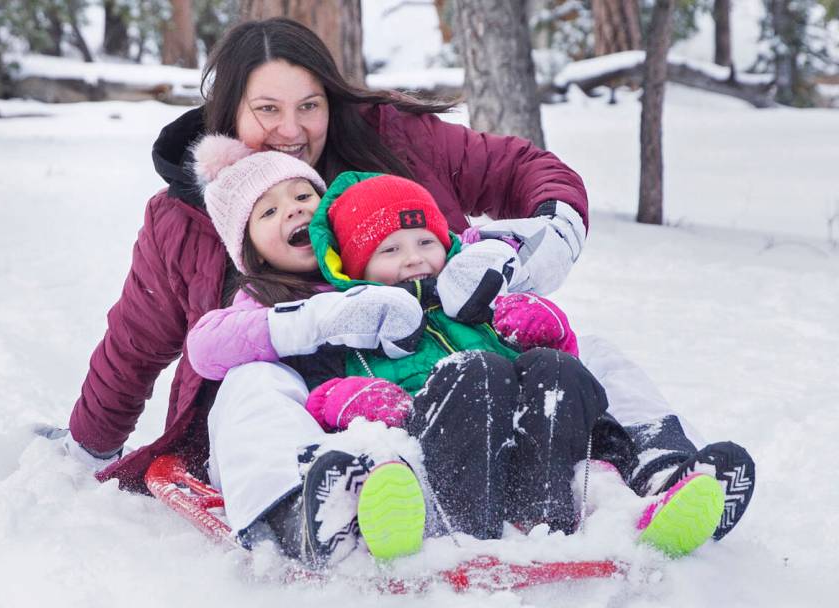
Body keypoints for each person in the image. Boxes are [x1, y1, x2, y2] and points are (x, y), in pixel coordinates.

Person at [50, 18, 753, 558]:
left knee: (581, 353)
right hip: (319, 405)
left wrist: (544, 238)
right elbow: (136, 341)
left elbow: (516, 167)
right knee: (251, 385)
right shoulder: (184, 219)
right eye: (267, 109)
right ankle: (309, 508)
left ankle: (661, 469)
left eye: (311, 106)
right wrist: (89, 444)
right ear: (228, 113)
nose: (292, 131)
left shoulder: (389, 144)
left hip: (447, 376)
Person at [186, 140, 728, 565]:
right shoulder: (272, 299)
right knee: (469, 373)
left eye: (303, 197)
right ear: (248, 243)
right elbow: (226, 353)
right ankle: (324, 511)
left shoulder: (451, 279)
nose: (293, 212)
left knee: (564, 365)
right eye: (269, 210)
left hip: (511, 432)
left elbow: (517, 294)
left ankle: (656, 473)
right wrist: (335, 358)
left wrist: (538, 314)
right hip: (408, 435)